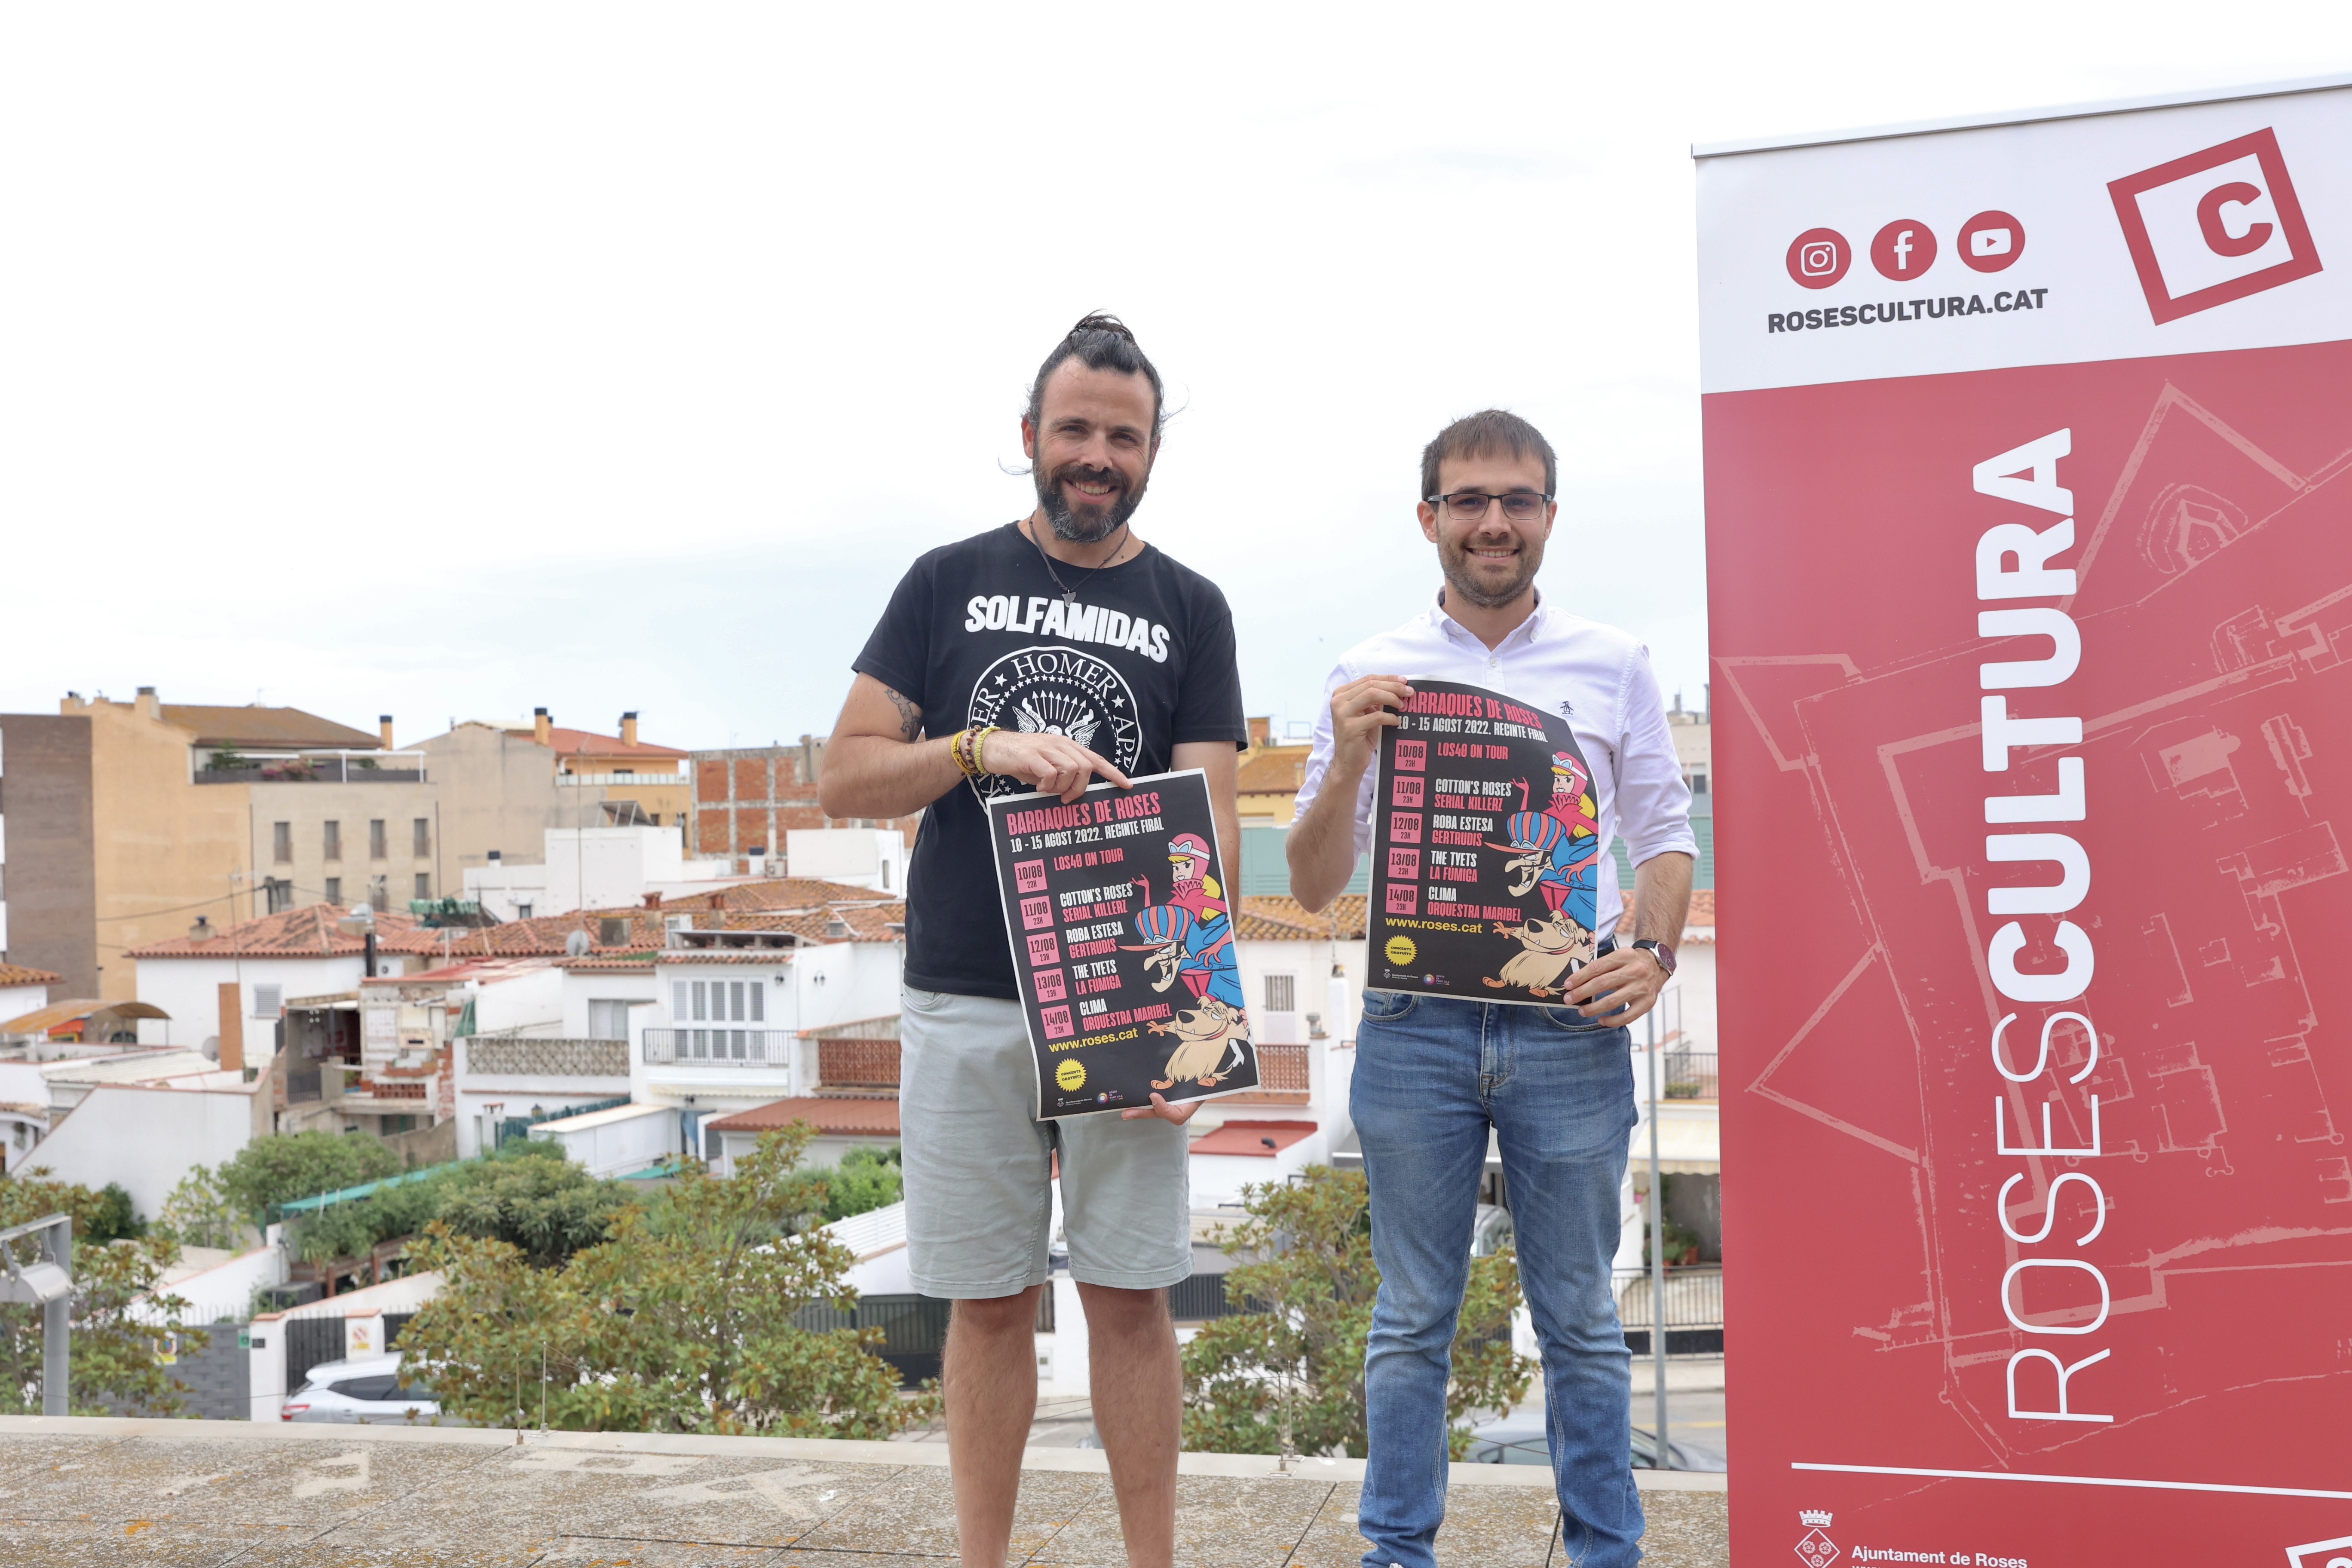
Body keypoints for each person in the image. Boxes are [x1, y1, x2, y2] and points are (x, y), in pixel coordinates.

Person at [818, 314, 1246, 1568]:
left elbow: (1207, 833)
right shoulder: (942, 581)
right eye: (1076, 430)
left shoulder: (1191, 608)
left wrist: (1192, 1029)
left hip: (1122, 1004)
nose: (1097, 455)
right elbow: (843, 778)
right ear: (1030, 439)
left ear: (1151, 453)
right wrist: (976, 748)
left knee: (1131, 1302)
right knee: (989, 1306)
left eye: (1124, 435)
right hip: (963, 996)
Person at [1286, 409, 1696, 1568]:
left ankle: (1605, 1553)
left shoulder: (1615, 663)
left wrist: (1656, 954)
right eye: (1468, 500)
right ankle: (1395, 1554)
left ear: (1549, 518)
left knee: (1580, 1320)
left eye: (1517, 500)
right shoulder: (1366, 673)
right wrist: (1350, 755)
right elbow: (1316, 885)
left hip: (1568, 1030)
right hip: (1412, 1029)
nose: (1493, 523)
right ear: (1430, 519)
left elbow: (1666, 839)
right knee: (1412, 1318)